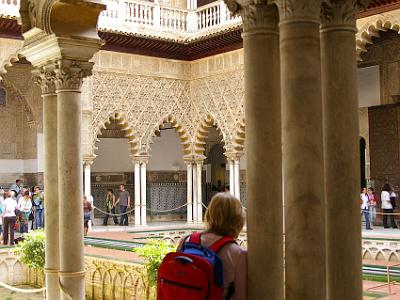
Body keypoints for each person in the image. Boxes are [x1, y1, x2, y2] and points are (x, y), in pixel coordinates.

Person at [178, 192, 247, 299]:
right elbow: (241, 296)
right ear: (238, 220)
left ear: (209, 214)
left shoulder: (186, 241)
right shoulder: (238, 253)